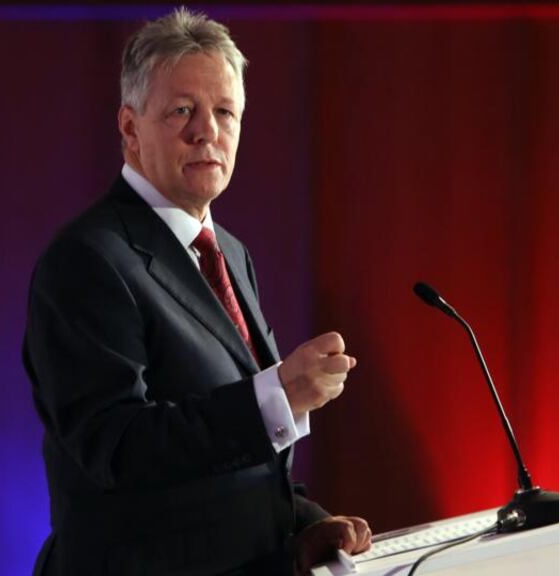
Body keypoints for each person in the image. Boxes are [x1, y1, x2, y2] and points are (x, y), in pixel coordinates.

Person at [22, 8, 371, 575]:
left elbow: (225, 468)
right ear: (130, 129)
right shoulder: (87, 261)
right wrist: (275, 397)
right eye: (182, 110)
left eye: (224, 111)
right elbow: (119, 448)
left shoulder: (229, 251)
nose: (206, 130)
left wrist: (302, 522)